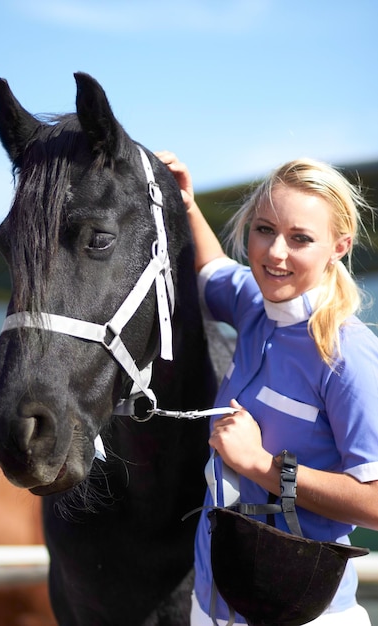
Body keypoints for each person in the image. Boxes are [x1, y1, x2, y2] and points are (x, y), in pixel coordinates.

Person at [156, 151, 378, 625]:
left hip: (304, 614)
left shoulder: (349, 353)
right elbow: (211, 268)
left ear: (339, 246)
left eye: (300, 238)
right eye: (264, 230)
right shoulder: (253, 304)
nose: (275, 252)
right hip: (210, 605)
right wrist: (187, 205)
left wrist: (261, 466)